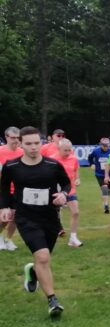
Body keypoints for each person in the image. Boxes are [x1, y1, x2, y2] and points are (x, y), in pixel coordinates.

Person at [0, 126, 71, 317]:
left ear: (41, 143)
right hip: (26, 218)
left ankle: (33, 271)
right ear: (20, 144)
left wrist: (63, 195)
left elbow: (66, 183)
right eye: (29, 143)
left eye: (36, 143)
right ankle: (52, 300)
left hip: (50, 217)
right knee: (43, 257)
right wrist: (4, 207)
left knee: (43, 257)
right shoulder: (11, 166)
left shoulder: (52, 165)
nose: (33, 147)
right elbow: (4, 189)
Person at [55, 139, 83, 247]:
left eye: (69, 150)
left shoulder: (73, 158)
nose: (67, 152)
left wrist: (77, 179)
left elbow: (76, 170)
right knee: (54, 214)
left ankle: (73, 238)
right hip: (56, 191)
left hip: (70, 189)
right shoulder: (53, 159)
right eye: (65, 150)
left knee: (75, 212)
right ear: (59, 149)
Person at [0, 126, 22, 251]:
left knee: (16, 217)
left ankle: (8, 239)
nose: (16, 140)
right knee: (4, 218)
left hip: (18, 190)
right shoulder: (0, 151)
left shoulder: (22, 152)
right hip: (3, 190)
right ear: (6, 137)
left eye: (18, 137)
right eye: (13, 137)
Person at [86, 137, 110, 214]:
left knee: (108, 190)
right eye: (104, 145)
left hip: (109, 174)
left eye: (107, 145)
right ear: (101, 145)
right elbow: (90, 157)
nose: (105, 147)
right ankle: (106, 205)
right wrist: (91, 164)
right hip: (99, 174)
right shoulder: (96, 151)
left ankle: (106, 201)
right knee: (104, 188)